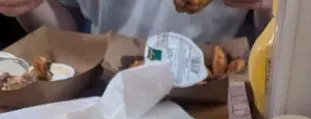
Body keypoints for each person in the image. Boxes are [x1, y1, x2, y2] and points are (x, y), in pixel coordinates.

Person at [0, 0, 270, 43]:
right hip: (102, 85)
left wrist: (273, 5)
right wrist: (25, 7)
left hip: (212, 95)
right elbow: (66, 33)